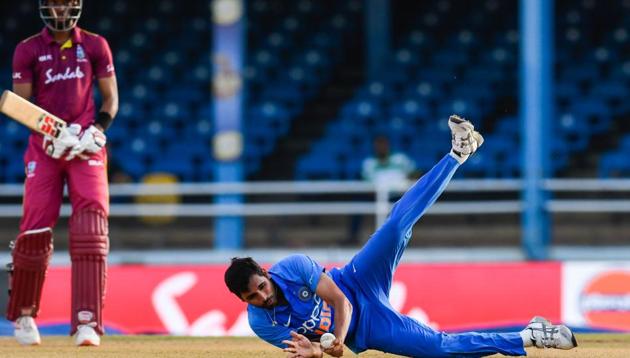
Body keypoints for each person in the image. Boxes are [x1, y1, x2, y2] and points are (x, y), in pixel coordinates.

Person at [224, 116, 578, 357]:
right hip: (369, 330)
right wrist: (319, 351)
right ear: (243, 300)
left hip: (355, 282)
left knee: (395, 225)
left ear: (266, 274)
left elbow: (340, 303)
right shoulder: (261, 323)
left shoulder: (292, 267)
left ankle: (458, 153)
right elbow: (311, 348)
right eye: (252, 296)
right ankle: (530, 335)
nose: (262, 296)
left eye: (261, 286)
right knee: (440, 349)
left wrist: (335, 344)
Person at [7, 0, 117, 347]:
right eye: (52, 4)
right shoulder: (28, 49)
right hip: (46, 147)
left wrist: (98, 130)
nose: (59, 11)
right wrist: (52, 133)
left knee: (91, 228)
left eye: (64, 3)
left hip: (86, 146)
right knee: (36, 226)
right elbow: (21, 107)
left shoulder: (96, 45)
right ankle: (24, 315)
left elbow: (110, 100)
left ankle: (87, 322)